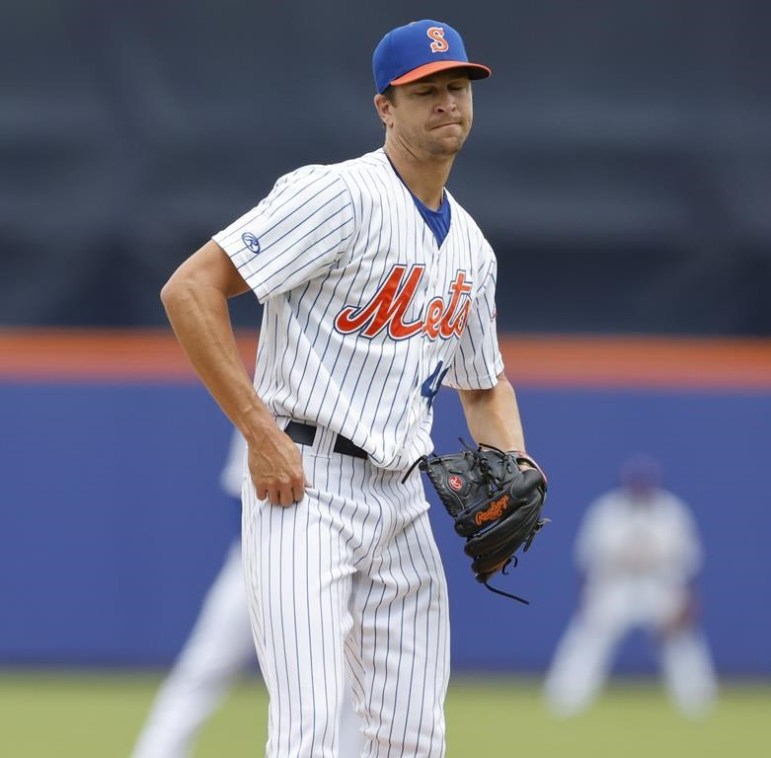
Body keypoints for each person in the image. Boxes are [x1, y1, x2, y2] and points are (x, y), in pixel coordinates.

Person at [159, 18, 541, 758]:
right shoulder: (336, 195)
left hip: (402, 501)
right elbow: (190, 289)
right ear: (384, 107)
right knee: (308, 732)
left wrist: (519, 468)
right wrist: (259, 433)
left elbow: (484, 385)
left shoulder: (471, 247)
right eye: (424, 90)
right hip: (305, 488)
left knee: (412, 740)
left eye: (456, 87)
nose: (447, 103)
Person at [131, 429, 363, 758]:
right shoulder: (265, 405)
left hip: (342, 565)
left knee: (351, 685)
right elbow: (236, 497)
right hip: (259, 562)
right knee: (204, 669)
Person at [543, 456, 717, 719]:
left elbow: (689, 562)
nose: (640, 489)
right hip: (614, 585)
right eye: (635, 484)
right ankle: (566, 699)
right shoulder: (606, 510)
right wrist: (585, 597)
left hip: (660, 585)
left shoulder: (671, 511)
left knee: (680, 640)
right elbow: (586, 559)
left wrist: (689, 600)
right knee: (589, 637)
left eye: (644, 484)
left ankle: (698, 701)